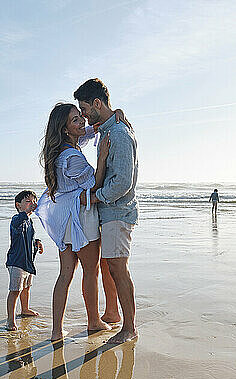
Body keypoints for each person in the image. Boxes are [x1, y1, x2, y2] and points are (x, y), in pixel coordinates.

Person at [35, 103, 129, 341]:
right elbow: (94, 185)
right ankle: (94, 322)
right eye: (76, 120)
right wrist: (104, 157)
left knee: (65, 273)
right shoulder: (73, 157)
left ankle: (57, 331)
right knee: (90, 270)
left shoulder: (61, 150)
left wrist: (113, 114)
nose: (82, 122)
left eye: (80, 117)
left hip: (64, 219)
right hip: (81, 218)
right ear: (65, 129)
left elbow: (90, 131)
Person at [75, 78, 139, 344]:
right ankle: (113, 315)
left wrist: (94, 197)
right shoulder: (108, 129)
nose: (84, 115)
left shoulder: (120, 135)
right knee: (109, 266)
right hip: (109, 213)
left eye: (85, 109)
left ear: (97, 103)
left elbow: (123, 182)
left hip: (118, 212)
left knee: (118, 268)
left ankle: (129, 328)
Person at [5, 190, 44, 331]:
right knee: (15, 290)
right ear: (18, 205)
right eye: (28, 201)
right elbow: (18, 223)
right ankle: (10, 319)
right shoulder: (17, 219)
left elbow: (30, 237)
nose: (32, 204)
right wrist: (25, 213)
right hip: (16, 262)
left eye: (34, 201)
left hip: (28, 262)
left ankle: (25, 309)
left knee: (26, 288)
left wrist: (37, 242)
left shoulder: (30, 221)